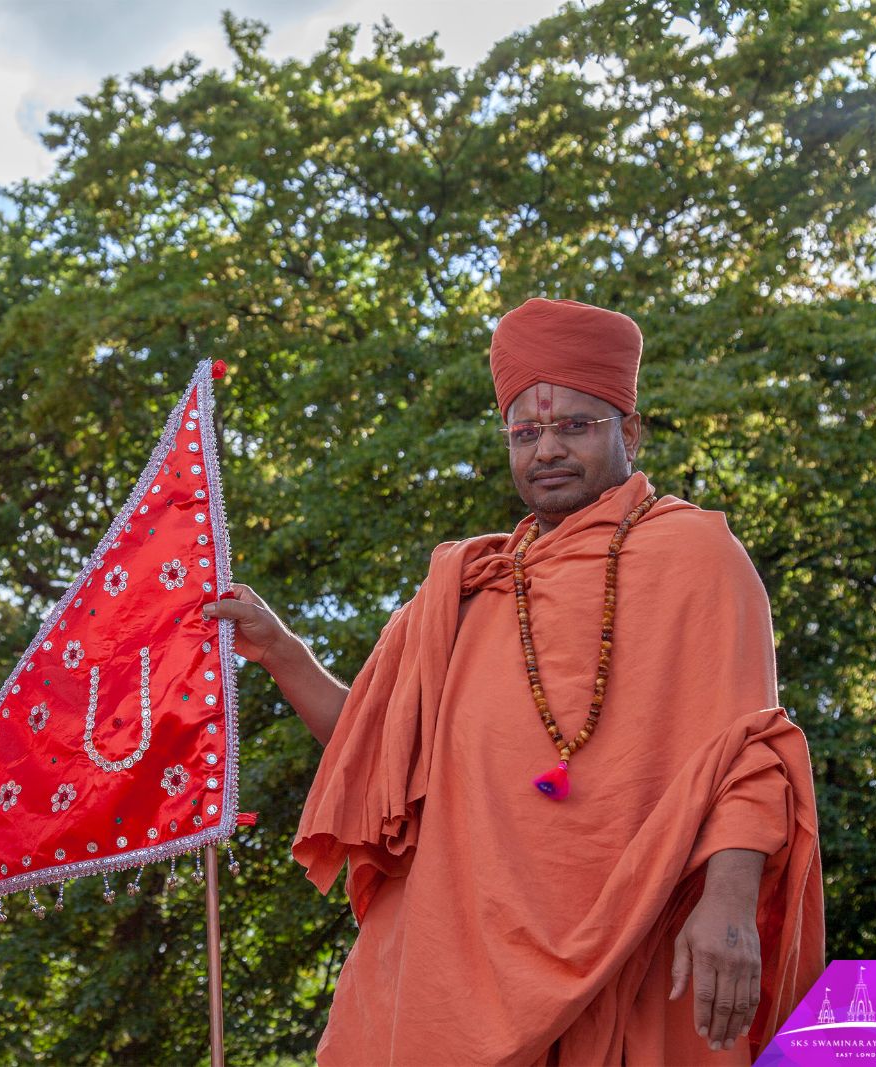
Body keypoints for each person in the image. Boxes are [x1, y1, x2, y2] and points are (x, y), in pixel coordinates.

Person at [205, 298, 825, 1065]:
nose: (547, 450)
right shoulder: (470, 587)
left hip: (630, 949)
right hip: (445, 963)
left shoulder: (698, 558)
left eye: (574, 426)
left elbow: (750, 752)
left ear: (629, 432)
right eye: (526, 433)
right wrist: (281, 649)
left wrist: (729, 898)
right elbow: (372, 744)